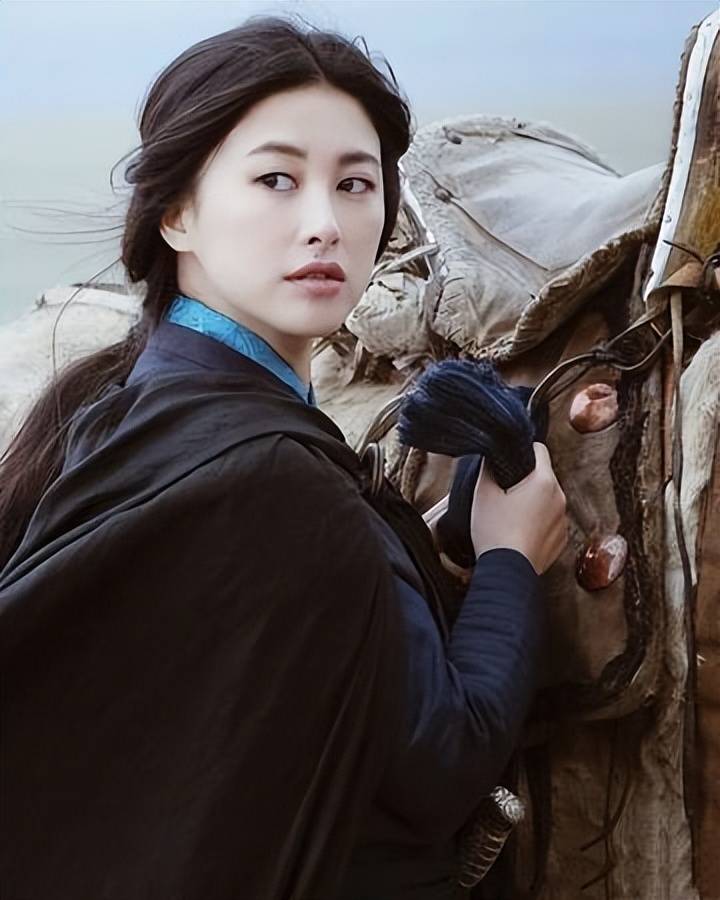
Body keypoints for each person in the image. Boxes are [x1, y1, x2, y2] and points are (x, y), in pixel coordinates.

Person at [0, 16, 567, 900]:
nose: (325, 225)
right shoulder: (266, 471)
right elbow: (440, 765)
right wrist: (510, 562)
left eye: (355, 184)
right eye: (276, 179)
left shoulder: (131, 404)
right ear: (177, 213)